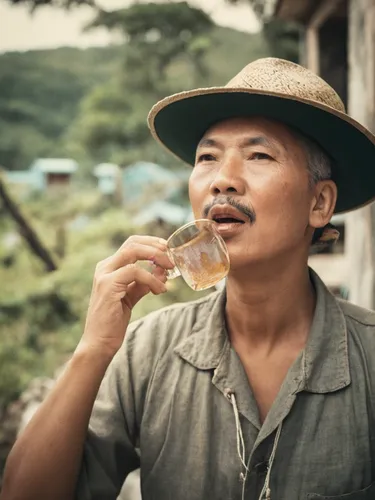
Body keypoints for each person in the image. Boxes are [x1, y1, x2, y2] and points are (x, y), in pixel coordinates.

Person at [2, 57, 375, 500]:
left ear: (319, 203)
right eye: (207, 157)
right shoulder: (146, 351)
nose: (222, 180)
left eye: (258, 155)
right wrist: (93, 348)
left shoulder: (369, 358)